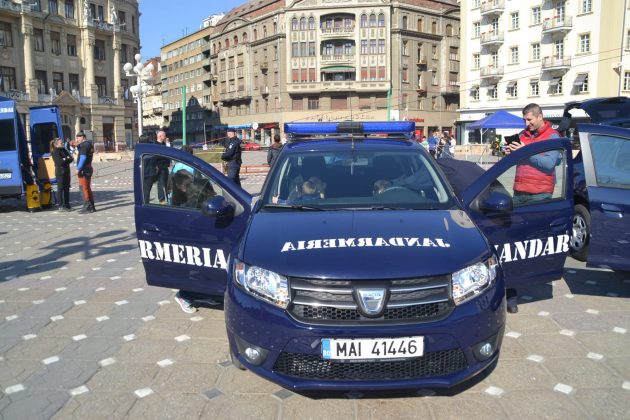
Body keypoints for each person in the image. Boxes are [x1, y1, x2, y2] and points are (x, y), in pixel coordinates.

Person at [503, 103, 561, 313]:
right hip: (519, 193)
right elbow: (516, 160)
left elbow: (548, 164)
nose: (526, 123)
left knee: (534, 242)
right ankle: (511, 293)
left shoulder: (552, 137)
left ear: (540, 116)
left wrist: (524, 151)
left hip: (540, 195)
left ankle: (534, 276)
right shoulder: (523, 135)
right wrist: (510, 152)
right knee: (512, 242)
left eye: (529, 119)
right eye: (524, 120)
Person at [50, 138, 73, 211]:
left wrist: (65, 159)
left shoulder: (63, 149)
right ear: (56, 144)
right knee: (60, 188)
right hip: (60, 172)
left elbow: (71, 158)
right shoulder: (55, 151)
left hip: (66, 170)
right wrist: (66, 159)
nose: (63, 144)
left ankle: (67, 204)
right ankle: (60, 205)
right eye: (61, 143)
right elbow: (59, 162)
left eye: (62, 142)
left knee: (67, 188)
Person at [75, 132, 95, 213]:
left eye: (78, 138)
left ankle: (87, 206)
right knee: (87, 187)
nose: (77, 140)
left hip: (84, 169)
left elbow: (83, 157)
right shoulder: (89, 144)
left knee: (83, 188)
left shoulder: (84, 145)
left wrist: (78, 168)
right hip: (89, 167)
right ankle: (92, 206)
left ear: (83, 137)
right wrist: (78, 146)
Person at [154, 130, 171, 204]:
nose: (166, 137)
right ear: (160, 136)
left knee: (167, 183)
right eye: (164, 135)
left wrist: (168, 143)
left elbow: (170, 152)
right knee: (160, 183)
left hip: (165, 166)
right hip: (159, 166)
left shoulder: (164, 144)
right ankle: (161, 199)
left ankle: (169, 198)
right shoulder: (155, 145)